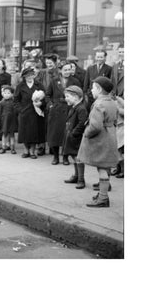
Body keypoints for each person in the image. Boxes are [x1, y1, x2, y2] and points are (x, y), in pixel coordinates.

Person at [77, 76, 119, 207]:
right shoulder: (112, 102)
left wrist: (86, 133)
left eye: (93, 88)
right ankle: (102, 192)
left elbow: (95, 126)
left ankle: (103, 198)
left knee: (101, 168)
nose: (91, 90)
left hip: (100, 139)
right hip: (110, 136)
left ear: (99, 89)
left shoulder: (98, 104)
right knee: (105, 167)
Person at [45, 62, 81, 165]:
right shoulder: (54, 81)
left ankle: (65, 157)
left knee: (67, 134)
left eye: (69, 69)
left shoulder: (75, 81)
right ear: (60, 70)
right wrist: (50, 105)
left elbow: (79, 95)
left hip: (70, 110)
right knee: (54, 134)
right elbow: (48, 95)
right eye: (65, 70)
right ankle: (56, 157)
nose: (67, 72)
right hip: (56, 111)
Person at [14, 66, 46, 159]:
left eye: (31, 75)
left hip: (36, 112)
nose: (29, 77)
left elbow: (45, 97)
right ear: (24, 76)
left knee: (34, 132)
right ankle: (25, 150)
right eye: (27, 76)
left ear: (34, 75)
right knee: (24, 132)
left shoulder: (39, 85)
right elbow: (16, 100)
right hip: (24, 112)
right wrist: (20, 110)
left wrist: (41, 104)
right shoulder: (20, 86)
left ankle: (32, 151)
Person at [62, 86, 89, 189]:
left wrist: (74, 133)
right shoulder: (74, 107)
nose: (66, 99)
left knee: (78, 158)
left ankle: (81, 180)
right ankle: (76, 176)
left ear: (76, 97)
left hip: (76, 138)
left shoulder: (81, 109)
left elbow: (82, 123)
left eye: (68, 96)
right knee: (74, 157)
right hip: (72, 136)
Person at [0, 85, 17, 154]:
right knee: (4, 134)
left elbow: (16, 111)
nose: (6, 95)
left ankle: (12, 148)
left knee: (12, 134)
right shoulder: (1, 103)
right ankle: (3, 147)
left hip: (12, 120)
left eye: (8, 93)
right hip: (4, 120)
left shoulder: (14, 102)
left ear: (12, 94)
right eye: (5, 93)